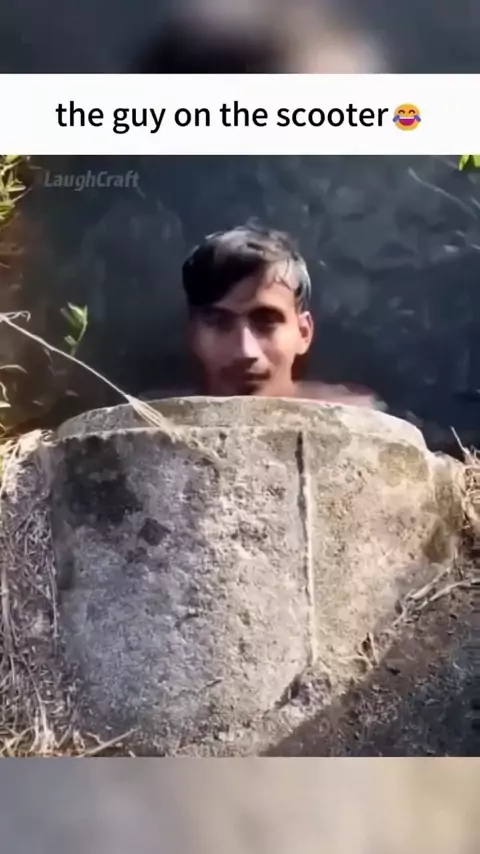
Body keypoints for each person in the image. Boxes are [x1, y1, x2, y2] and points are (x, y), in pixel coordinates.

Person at [181, 223, 382, 407]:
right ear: (193, 335)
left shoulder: (360, 419)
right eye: (219, 322)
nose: (245, 352)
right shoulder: (163, 419)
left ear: (303, 333)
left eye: (266, 322)